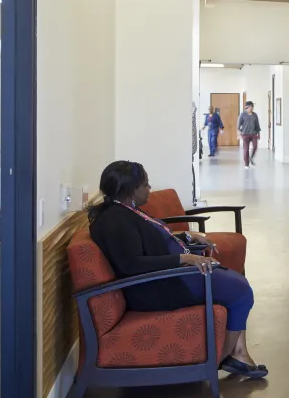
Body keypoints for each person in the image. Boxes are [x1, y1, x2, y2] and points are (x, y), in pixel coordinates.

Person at [88, 161, 267, 378]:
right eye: (145, 185)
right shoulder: (116, 221)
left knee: (235, 282)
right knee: (241, 293)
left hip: (171, 275)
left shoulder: (126, 210)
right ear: (131, 190)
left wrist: (186, 236)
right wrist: (184, 259)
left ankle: (239, 352)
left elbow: (153, 239)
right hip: (160, 285)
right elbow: (132, 265)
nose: (149, 188)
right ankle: (223, 357)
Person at [238, 102, 261, 168]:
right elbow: (238, 125)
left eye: (252, 106)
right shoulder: (242, 115)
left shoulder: (255, 115)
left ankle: (251, 158)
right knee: (246, 149)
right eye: (251, 106)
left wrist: (259, 134)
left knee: (255, 146)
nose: (252, 108)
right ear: (247, 107)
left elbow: (257, 125)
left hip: (254, 134)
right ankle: (246, 164)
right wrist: (238, 134)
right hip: (245, 134)